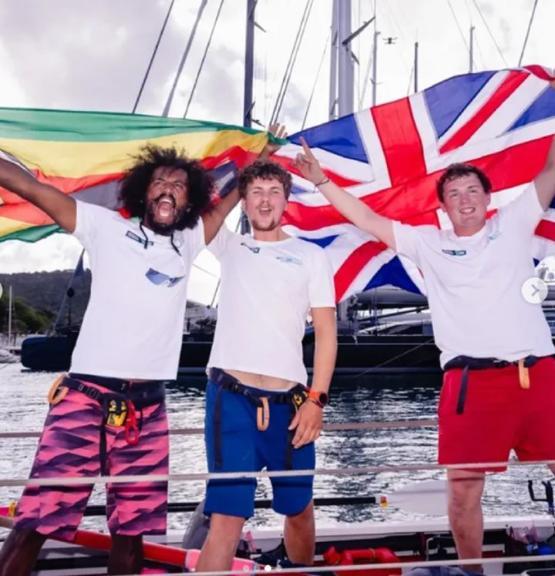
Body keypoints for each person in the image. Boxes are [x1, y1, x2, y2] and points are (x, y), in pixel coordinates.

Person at [0, 134, 279, 575]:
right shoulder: (103, 226)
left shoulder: (187, 242)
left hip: (147, 406)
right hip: (83, 399)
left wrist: (259, 160)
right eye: (160, 181)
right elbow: (35, 190)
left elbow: (227, 201)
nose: (169, 189)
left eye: (180, 185)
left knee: (132, 533)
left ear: (188, 201)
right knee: (36, 521)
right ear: (143, 190)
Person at [295, 135, 555, 568]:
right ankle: (473, 573)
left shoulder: (513, 223)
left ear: (488, 198)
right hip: (471, 384)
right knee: (463, 493)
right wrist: (321, 180)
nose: (464, 199)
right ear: (444, 207)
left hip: (538, 375)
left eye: (472, 190)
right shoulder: (428, 244)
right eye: (453, 194)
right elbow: (366, 217)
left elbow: (549, 173)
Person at [194, 160, 337, 570]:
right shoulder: (229, 245)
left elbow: (326, 333)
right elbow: (209, 216)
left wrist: (316, 401)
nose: (265, 200)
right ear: (244, 200)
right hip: (231, 401)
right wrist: (242, 179)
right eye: (256, 191)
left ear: (287, 201)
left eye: (274, 191)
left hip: (290, 407)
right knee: (227, 519)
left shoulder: (310, 256)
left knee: (298, 509)